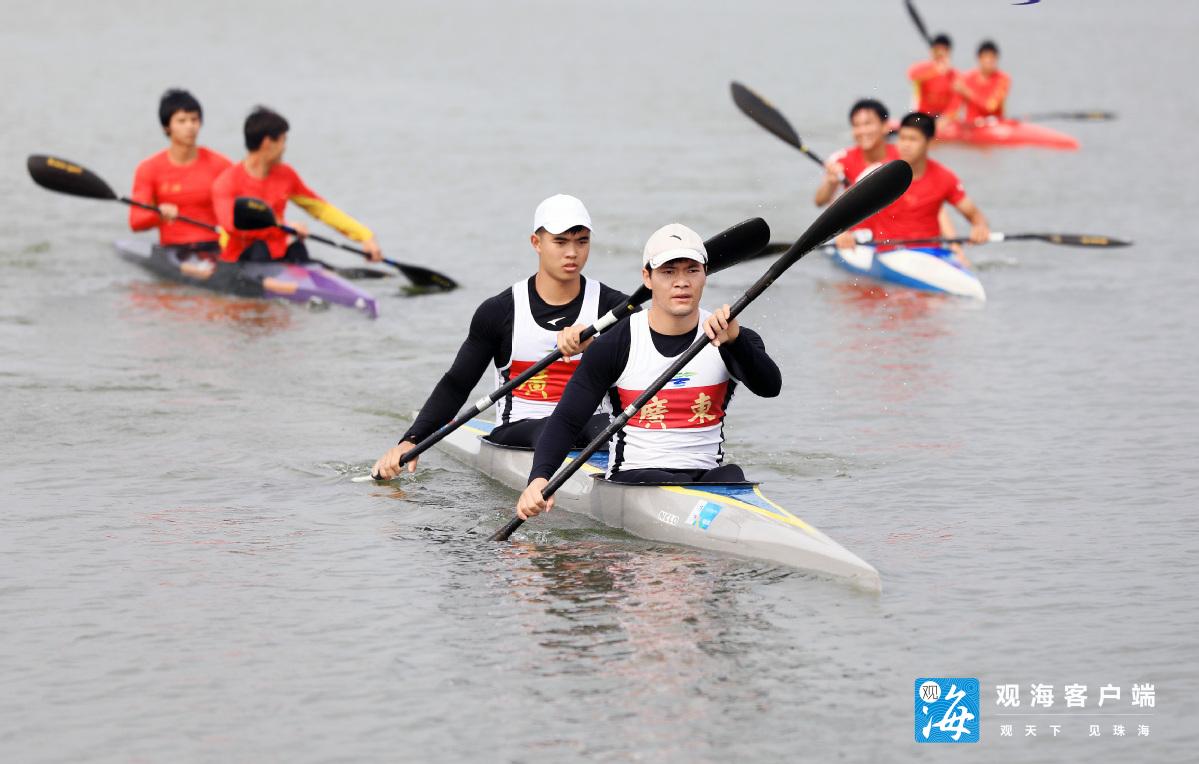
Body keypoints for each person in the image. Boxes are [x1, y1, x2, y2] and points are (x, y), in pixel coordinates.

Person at [514, 223, 782, 520]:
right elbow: (566, 421)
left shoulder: (729, 336)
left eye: (692, 270)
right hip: (634, 478)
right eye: (668, 272)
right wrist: (539, 479)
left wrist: (737, 342)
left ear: (705, 275)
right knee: (677, 481)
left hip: (711, 480)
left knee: (732, 474)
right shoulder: (616, 345)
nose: (681, 282)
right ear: (648, 278)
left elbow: (770, 387)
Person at [371, 195, 629, 479]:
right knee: (562, 427)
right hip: (520, 431)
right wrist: (412, 439)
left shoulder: (614, 309)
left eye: (582, 241)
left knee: (611, 424)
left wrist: (597, 345)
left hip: (594, 426)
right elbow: (457, 384)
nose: (572, 252)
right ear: (536, 243)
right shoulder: (500, 311)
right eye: (560, 241)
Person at [210, 106, 382, 263]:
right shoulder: (227, 182)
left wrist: (364, 236)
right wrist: (283, 227)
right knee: (259, 249)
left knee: (298, 248)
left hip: (279, 253)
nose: (285, 147)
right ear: (268, 143)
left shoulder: (286, 175)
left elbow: (321, 209)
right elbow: (230, 227)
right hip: (241, 257)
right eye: (283, 140)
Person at [818, 99, 956, 252]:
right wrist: (831, 184)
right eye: (856, 126)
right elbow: (821, 201)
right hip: (858, 239)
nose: (862, 131)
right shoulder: (841, 160)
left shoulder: (903, 158)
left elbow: (933, 199)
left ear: (885, 127)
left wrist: (955, 247)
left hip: (892, 238)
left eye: (868, 124)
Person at [868, 112, 990, 266]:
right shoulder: (878, 174)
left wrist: (980, 227)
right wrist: (845, 234)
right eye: (902, 138)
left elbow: (975, 216)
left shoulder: (945, 177)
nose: (905, 145)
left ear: (929, 142)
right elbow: (850, 210)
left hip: (930, 255)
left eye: (913, 139)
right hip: (887, 253)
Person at [128, 89, 231, 254]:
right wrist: (158, 215)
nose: (190, 126)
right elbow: (135, 221)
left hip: (215, 245)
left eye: (194, 120)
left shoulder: (221, 165)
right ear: (167, 127)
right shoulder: (148, 169)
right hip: (173, 249)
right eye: (182, 121)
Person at [955, 40, 1011, 122]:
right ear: (979, 58)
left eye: (992, 57)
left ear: (997, 59)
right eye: (986, 57)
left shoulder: (1003, 79)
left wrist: (967, 92)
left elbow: (991, 106)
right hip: (971, 126)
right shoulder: (965, 78)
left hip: (993, 126)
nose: (989, 61)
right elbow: (954, 107)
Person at [907, 33, 960, 120]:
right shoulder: (922, 68)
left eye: (944, 50)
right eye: (937, 49)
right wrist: (935, 71)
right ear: (932, 51)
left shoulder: (955, 75)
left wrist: (943, 121)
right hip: (922, 116)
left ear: (949, 52)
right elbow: (911, 76)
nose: (940, 53)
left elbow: (955, 104)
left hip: (945, 120)